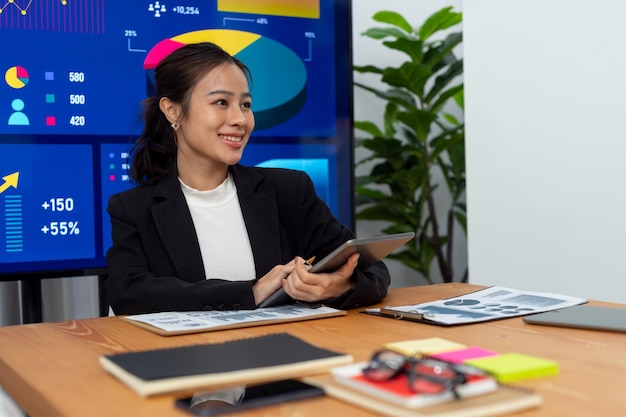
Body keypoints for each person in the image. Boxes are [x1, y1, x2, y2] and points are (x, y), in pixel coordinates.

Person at [104, 42, 390, 315]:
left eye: (245, 104)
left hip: (282, 353)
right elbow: (128, 293)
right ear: (172, 110)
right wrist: (251, 292)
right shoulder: (132, 208)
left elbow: (371, 270)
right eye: (221, 102)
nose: (240, 119)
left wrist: (340, 286)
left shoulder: (289, 191)